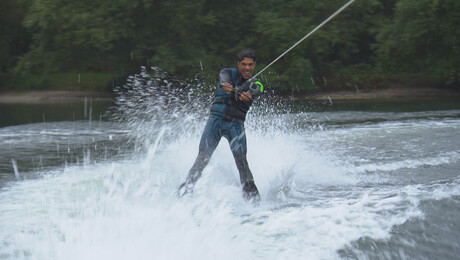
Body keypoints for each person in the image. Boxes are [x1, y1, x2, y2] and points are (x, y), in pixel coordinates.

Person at [178, 49, 264, 201]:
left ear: (255, 65)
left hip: (235, 126)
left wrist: (247, 95)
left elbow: (256, 91)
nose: (247, 68)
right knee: (202, 158)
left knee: (242, 163)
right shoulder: (228, 73)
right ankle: (185, 192)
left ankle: (253, 200)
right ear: (238, 64)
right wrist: (226, 85)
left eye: (250, 65)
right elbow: (223, 79)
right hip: (215, 123)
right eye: (243, 64)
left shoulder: (256, 84)